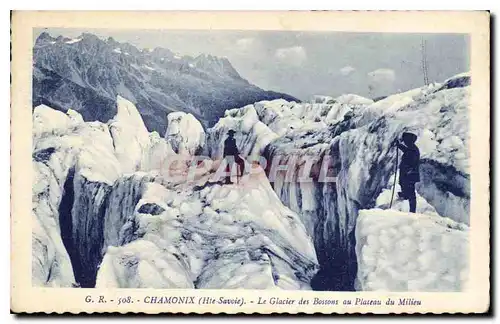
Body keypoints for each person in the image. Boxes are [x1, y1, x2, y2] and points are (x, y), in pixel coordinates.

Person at [393, 132, 420, 213]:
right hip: (406, 173)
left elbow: (413, 162)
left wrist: (408, 170)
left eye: (405, 140)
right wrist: (399, 145)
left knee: (411, 192)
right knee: (402, 184)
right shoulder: (411, 148)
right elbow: (406, 150)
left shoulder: (414, 150)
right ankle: (405, 194)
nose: (404, 141)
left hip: (410, 174)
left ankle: (412, 210)